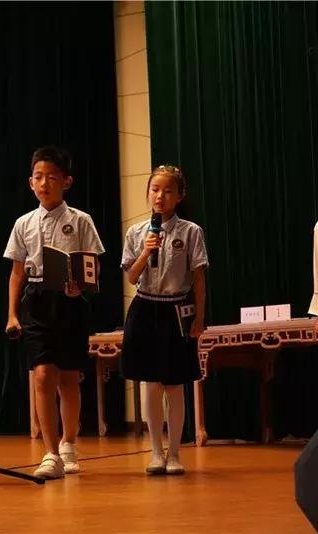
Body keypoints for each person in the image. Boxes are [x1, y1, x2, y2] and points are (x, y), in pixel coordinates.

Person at [4, 145, 105, 479]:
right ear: (30, 182)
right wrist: (12, 314)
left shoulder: (81, 220)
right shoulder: (23, 223)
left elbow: (93, 266)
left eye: (51, 177)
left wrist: (81, 286)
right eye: (38, 177)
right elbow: (16, 273)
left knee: (69, 377)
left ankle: (69, 444)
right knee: (43, 374)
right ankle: (50, 453)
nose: (44, 183)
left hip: (70, 301)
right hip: (36, 301)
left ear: (67, 181)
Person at [120, 165, 208, 475]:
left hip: (176, 310)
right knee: (150, 383)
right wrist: (146, 252)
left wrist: (199, 318)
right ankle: (156, 452)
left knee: (174, 384)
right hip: (145, 309)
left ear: (179, 196)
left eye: (168, 191)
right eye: (155, 189)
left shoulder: (191, 231)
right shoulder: (136, 232)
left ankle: (175, 453)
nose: (160, 196)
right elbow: (132, 277)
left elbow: (198, 278)